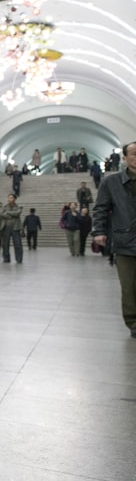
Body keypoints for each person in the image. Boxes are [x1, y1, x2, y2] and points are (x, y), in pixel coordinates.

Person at [92, 141, 136, 338]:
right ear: (125, 158)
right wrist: (99, 231)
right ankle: (133, 322)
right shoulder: (111, 182)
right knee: (129, 287)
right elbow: (101, 208)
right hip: (125, 241)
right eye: (134, 154)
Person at [0, 193, 23, 264]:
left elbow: (17, 213)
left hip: (15, 227)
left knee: (18, 244)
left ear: (14, 199)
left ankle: (19, 259)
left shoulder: (19, 206)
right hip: (6, 227)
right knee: (5, 244)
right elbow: (1, 214)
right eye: (8, 198)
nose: (9, 199)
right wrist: (10, 215)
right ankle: (6, 258)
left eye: (11, 198)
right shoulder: (4, 206)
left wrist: (7, 213)